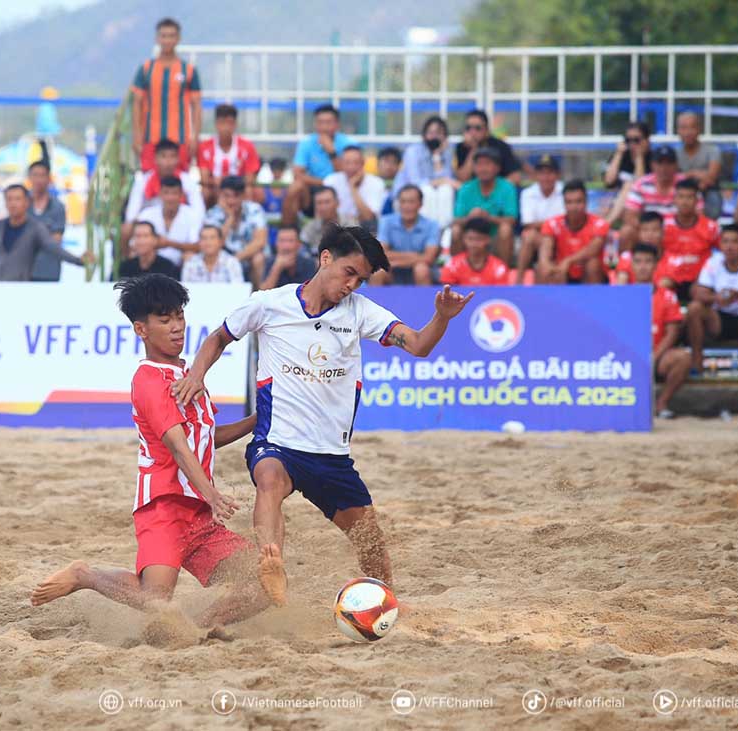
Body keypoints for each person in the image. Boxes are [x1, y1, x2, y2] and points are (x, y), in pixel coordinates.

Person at [172, 225, 475, 605]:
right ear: (325, 258)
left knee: (370, 541)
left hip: (331, 456)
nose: (352, 285)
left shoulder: (360, 312)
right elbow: (219, 337)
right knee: (269, 480)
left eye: (361, 280)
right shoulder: (269, 304)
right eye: (349, 272)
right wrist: (197, 374)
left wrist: (442, 318)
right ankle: (272, 563)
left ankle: (385, 604)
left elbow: (417, 345)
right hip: (277, 443)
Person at [31, 274, 268, 627]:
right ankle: (86, 575)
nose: (177, 327)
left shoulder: (188, 373)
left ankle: (199, 629)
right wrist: (213, 494)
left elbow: (207, 437)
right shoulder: (148, 379)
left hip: (199, 515)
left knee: (262, 585)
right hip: (164, 508)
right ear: (142, 330)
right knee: (154, 600)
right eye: (165, 320)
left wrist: (257, 418)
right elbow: (176, 445)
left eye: (179, 317)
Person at [686, 224, 738, 373]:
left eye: (734, 242)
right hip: (719, 319)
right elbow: (699, 292)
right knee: (695, 308)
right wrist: (716, 297)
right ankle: (696, 361)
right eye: (725, 242)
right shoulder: (713, 263)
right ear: (720, 244)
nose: (729, 247)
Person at [0, 184, 92, 281]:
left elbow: (54, 249)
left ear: (26, 202)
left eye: (17, 199)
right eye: (9, 199)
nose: (13, 204)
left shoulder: (35, 229)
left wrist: (79, 260)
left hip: (20, 286)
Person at [131, 18, 201, 172]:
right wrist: (136, 136)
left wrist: (195, 137)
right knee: (149, 182)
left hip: (180, 139)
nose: (167, 40)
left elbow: (196, 105)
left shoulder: (188, 70)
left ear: (178, 38)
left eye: (171, 36)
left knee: (178, 185)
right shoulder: (146, 69)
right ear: (157, 38)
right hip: (150, 139)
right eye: (163, 36)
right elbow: (136, 103)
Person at [631, 243, 691, 419]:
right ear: (631, 265)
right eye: (638, 261)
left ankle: (661, 403)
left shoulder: (667, 296)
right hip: (627, 358)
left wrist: (652, 358)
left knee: (683, 358)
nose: (643, 266)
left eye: (648, 261)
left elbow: (672, 333)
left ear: (656, 265)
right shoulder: (620, 295)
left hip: (657, 356)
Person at [282, 104, 355, 226]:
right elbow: (298, 174)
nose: (324, 127)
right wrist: (324, 182)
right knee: (295, 187)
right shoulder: (306, 143)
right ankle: (288, 232)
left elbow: (348, 173)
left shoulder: (349, 144)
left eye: (328, 122)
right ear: (315, 124)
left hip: (341, 189)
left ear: (337, 125)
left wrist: (331, 151)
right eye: (320, 122)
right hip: (314, 189)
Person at [451, 147, 518, 263]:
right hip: (470, 238)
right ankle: (457, 270)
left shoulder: (507, 187)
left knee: (505, 229)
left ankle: (503, 273)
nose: (483, 169)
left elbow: (512, 220)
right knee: (456, 230)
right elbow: (456, 220)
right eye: (479, 165)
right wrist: (470, 217)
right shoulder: (465, 188)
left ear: (497, 168)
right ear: (474, 168)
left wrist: (487, 217)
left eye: (487, 164)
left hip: (494, 239)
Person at [620, 145, 692, 251]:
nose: (664, 167)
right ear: (652, 165)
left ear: (676, 165)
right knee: (626, 231)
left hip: (679, 230)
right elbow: (629, 216)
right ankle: (626, 265)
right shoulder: (642, 184)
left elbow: (697, 214)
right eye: (660, 163)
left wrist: (666, 230)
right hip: (648, 230)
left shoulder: (686, 184)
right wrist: (650, 231)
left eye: (669, 163)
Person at [537, 180, 609, 284]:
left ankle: (593, 299)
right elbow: (545, 248)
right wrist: (545, 263)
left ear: (586, 202)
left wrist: (569, 261)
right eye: (569, 202)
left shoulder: (599, 224)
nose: (574, 207)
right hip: (564, 273)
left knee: (592, 264)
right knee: (543, 268)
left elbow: (593, 249)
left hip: (590, 274)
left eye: (578, 201)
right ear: (564, 203)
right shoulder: (552, 224)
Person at [658, 179, 719, 302]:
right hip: (670, 276)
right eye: (681, 197)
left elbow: (723, 253)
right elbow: (656, 253)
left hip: (699, 279)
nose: (685, 202)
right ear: (674, 199)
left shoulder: (711, 227)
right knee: (660, 287)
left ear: (697, 201)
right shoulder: (663, 225)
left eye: (689, 197)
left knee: (700, 295)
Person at [392, 115, 457, 226]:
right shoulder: (413, 151)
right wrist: (441, 181)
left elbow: (446, 180)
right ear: (424, 135)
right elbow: (415, 183)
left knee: (446, 190)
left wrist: (437, 156)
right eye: (430, 132)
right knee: (427, 191)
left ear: (444, 136)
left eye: (438, 133)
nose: (434, 136)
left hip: (436, 198)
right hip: (406, 196)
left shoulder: (447, 152)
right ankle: (427, 231)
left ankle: (443, 230)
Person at [372, 185, 440, 286]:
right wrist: (415, 256)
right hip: (393, 272)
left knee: (421, 269)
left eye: (411, 202)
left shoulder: (432, 225)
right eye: (403, 202)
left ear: (420, 204)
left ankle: (425, 301)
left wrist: (396, 262)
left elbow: (429, 257)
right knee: (378, 271)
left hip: (417, 269)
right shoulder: (386, 221)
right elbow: (381, 253)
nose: (406, 206)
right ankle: (372, 301)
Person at [125, 138, 203, 224]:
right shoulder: (142, 182)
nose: (168, 162)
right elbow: (131, 215)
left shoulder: (187, 181)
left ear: (178, 159)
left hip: (180, 225)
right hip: (149, 226)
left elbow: (199, 212)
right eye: (163, 156)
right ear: (155, 158)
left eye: (172, 156)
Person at [198, 104, 261, 209]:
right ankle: (206, 221)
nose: (226, 128)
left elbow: (250, 179)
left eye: (230, 123)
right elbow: (204, 179)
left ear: (235, 124)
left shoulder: (247, 146)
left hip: (239, 189)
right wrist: (218, 183)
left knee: (251, 190)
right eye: (222, 123)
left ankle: (247, 220)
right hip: (215, 189)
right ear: (216, 124)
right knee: (205, 191)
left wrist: (231, 185)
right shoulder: (205, 147)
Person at [202, 175, 267, 277]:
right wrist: (230, 218)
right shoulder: (213, 213)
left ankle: (259, 292)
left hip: (246, 256)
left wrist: (234, 259)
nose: (231, 201)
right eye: (227, 196)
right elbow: (214, 244)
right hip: (221, 257)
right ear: (220, 195)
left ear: (243, 195)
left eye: (236, 196)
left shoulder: (255, 209)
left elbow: (260, 241)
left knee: (258, 258)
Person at [515, 154, 564, 284]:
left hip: (562, 239)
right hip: (540, 238)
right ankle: (518, 281)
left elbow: (566, 224)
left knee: (536, 236)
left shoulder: (564, 191)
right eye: (542, 173)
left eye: (550, 173)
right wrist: (552, 224)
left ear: (558, 175)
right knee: (530, 236)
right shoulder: (528, 193)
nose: (546, 177)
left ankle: (540, 276)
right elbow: (528, 224)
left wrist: (545, 226)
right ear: (536, 175)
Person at [137, 177, 203, 268]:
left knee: (189, 256)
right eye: (166, 193)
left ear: (181, 195)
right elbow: (135, 242)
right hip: (152, 262)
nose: (170, 198)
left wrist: (169, 243)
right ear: (160, 194)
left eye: (174, 193)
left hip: (179, 264)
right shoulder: (147, 214)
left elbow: (197, 246)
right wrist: (153, 243)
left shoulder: (192, 215)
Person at [322, 146, 386, 227]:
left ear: (363, 163)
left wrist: (353, 188)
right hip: (337, 226)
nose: (351, 167)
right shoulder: (330, 180)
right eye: (347, 163)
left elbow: (369, 217)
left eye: (356, 163)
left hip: (364, 229)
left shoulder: (377, 183)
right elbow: (326, 213)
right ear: (341, 163)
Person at [675, 112, 722, 219]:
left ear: (699, 129)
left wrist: (689, 174)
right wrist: (700, 174)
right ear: (678, 131)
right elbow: (674, 179)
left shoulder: (712, 150)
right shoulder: (675, 154)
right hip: (682, 193)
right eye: (683, 128)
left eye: (692, 127)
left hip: (707, 192)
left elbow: (711, 178)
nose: (688, 132)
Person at [454, 109, 521, 184]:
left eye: (477, 128)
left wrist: (496, 190)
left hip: (498, 191)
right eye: (468, 128)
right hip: (472, 192)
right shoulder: (461, 147)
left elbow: (515, 176)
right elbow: (463, 178)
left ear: (486, 130)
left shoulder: (501, 146)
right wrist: (474, 149)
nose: (472, 132)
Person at [27, 161, 68, 282]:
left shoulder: (58, 206)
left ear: (49, 178)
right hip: (23, 270)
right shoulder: (22, 204)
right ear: (29, 177)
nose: (39, 179)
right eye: (35, 175)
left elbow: (55, 240)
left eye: (42, 175)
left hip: (49, 270)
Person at [441, 218, 510, 286]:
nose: (474, 244)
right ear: (464, 238)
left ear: (488, 239)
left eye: (479, 239)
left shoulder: (499, 268)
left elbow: (501, 294)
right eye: (470, 239)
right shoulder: (452, 265)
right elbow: (447, 292)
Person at [614, 212, 665, 284]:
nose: (649, 234)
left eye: (655, 230)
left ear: (663, 232)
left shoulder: (669, 257)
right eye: (645, 230)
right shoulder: (628, 256)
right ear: (638, 233)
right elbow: (621, 282)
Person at [603, 121, 652, 189]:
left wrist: (639, 158)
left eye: (636, 140)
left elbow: (640, 187)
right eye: (628, 140)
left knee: (629, 185)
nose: (632, 144)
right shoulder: (621, 156)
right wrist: (619, 153)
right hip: (617, 196)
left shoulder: (654, 160)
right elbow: (609, 181)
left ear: (647, 141)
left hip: (640, 197)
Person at [376, 147, 401, 216]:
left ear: (398, 166)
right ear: (378, 164)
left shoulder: (403, 186)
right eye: (386, 161)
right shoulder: (369, 183)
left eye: (394, 162)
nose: (389, 166)